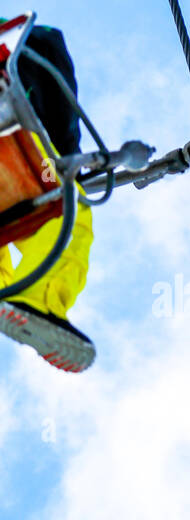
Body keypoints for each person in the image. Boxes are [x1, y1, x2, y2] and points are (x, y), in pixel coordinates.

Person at [0, 18, 95, 373]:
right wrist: (69, 156)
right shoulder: (24, 42)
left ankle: (16, 300)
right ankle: (35, 297)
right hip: (13, 156)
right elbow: (46, 53)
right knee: (65, 210)